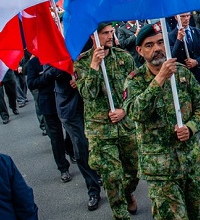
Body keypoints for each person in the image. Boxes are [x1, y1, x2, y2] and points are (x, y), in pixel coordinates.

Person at [124, 23, 200, 220]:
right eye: (149, 45)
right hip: (160, 169)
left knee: (197, 210)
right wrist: (160, 79)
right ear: (139, 50)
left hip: (189, 161)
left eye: (161, 42)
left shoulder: (181, 73)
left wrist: (191, 127)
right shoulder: (134, 80)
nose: (157, 48)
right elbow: (135, 113)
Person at [75, 22, 140, 219]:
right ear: (93, 36)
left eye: (111, 32)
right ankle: (120, 213)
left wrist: (124, 110)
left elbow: (136, 89)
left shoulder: (124, 58)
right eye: (105, 33)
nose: (110, 36)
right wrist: (94, 66)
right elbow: (88, 94)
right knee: (112, 176)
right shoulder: (81, 63)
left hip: (125, 125)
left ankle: (127, 192)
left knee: (134, 170)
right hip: (101, 130)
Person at [48, 62, 103, 210]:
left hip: (92, 103)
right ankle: (93, 190)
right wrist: (66, 68)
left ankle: (100, 174)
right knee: (82, 147)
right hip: (69, 107)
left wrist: (81, 76)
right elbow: (48, 73)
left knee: (98, 144)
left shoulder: (86, 48)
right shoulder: (54, 50)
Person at [169, 13, 200, 160]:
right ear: (176, 17)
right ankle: (192, 143)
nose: (186, 19)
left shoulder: (197, 32)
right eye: (182, 16)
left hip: (199, 77)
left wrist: (197, 61)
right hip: (183, 81)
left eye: (188, 16)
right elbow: (171, 57)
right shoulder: (171, 36)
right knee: (187, 112)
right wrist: (178, 40)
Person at [25, 53, 74, 182]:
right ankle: (63, 168)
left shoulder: (60, 56)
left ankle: (70, 149)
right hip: (48, 103)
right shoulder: (33, 63)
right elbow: (31, 83)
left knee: (72, 131)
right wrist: (48, 76)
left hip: (66, 101)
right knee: (56, 137)